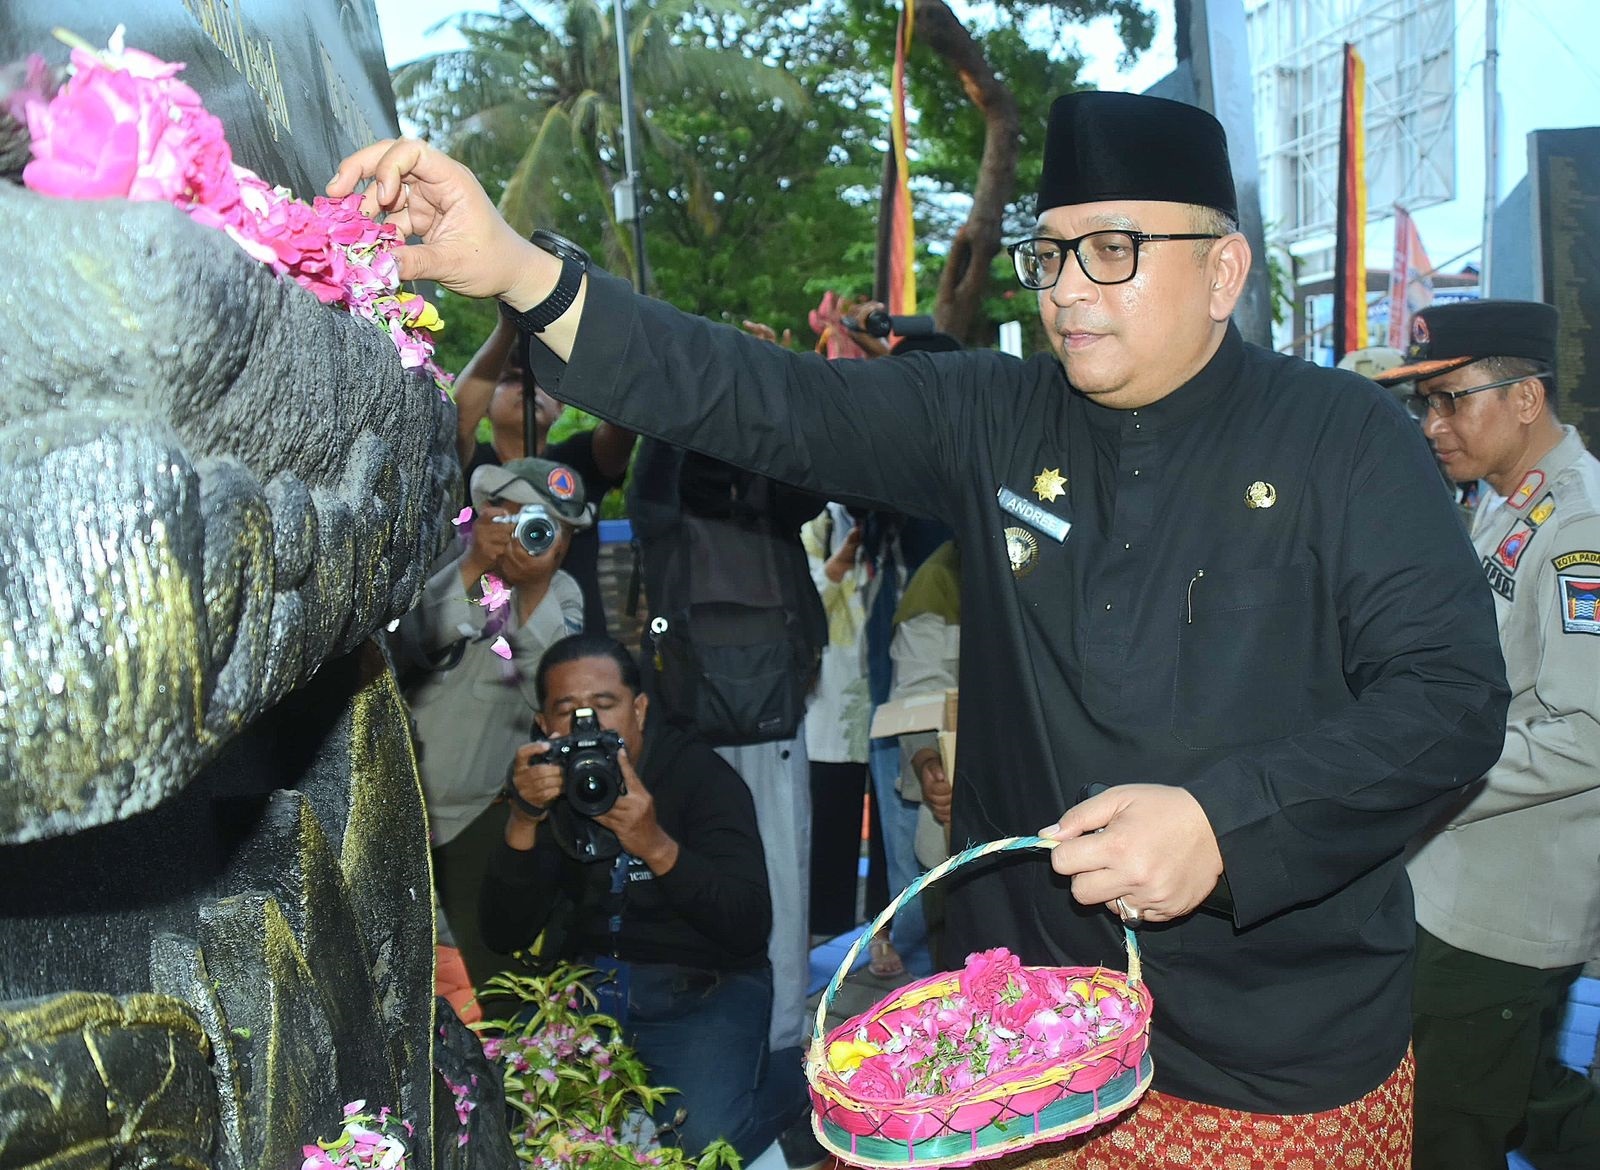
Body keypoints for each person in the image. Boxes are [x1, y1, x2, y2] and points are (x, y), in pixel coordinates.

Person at [331, 89, 1509, 1163]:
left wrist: (1225, 824)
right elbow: (759, 397)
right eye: (1050, 254)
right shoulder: (991, 415)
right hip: (1020, 1037)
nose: (1066, 289)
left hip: (1276, 1042)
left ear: (1223, 270)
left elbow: (1446, 702)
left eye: (1115, 252)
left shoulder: (1345, 439)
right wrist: (523, 272)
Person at [1372, 300, 1600, 1169]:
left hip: (1506, 904)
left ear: (1525, 398)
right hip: (1462, 881)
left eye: (1452, 400)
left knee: (1449, 1128)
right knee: (1528, 1098)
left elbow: (1587, 733)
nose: (1434, 426)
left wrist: (1434, 777)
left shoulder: (1579, 528)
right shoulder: (1509, 503)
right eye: (1425, 404)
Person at [478, 633, 806, 1161]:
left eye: (605, 705)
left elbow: (747, 923)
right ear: (543, 724)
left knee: (699, 1147)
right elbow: (501, 933)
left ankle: (799, 1077)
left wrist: (656, 846)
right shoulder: (544, 786)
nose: (588, 725)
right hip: (588, 989)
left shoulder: (701, 776)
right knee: (514, 1124)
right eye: (568, 711)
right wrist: (522, 819)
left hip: (701, 990)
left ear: (640, 709)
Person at [397, 457, 588, 990]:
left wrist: (530, 590)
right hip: (395, 810)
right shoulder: (440, 561)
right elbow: (409, 640)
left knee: (491, 986)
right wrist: (475, 561)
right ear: (493, 511)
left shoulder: (563, 594)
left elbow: (550, 690)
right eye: (531, 519)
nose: (546, 539)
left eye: (560, 530)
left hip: (477, 819)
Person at [452, 314, 636, 634]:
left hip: (574, 647)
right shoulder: (471, 466)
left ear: (561, 408)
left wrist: (580, 321)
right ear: (486, 402)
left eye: (543, 382)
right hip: (483, 650)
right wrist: (508, 326)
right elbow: (455, 424)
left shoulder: (578, 459)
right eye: (511, 379)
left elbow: (626, 415)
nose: (528, 388)